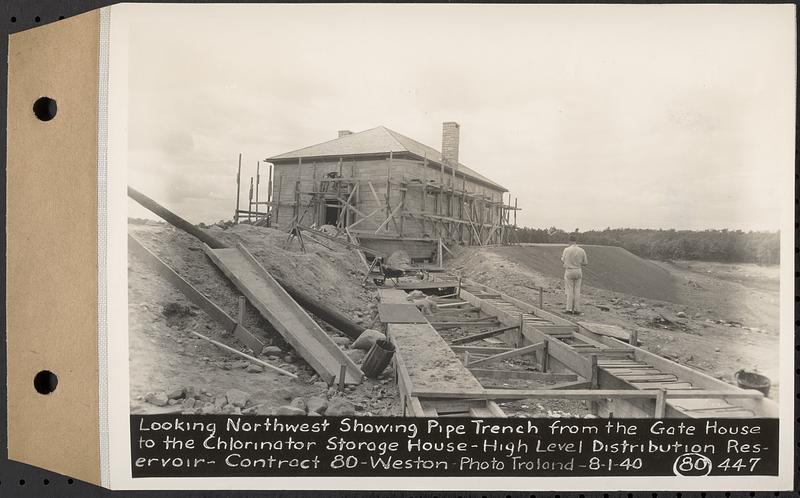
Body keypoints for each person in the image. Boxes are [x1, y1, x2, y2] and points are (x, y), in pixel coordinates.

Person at [560, 234, 588, 315]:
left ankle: (569, 309)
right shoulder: (581, 250)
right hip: (578, 270)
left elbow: (563, 260)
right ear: (576, 241)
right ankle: (576, 309)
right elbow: (585, 263)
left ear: (569, 241)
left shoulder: (566, 249)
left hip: (569, 270)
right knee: (577, 290)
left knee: (570, 290)